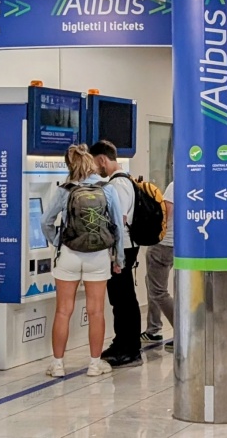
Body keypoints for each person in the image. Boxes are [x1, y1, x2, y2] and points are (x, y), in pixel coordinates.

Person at [42, 145, 126, 378]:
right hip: (98, 256)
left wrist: (59, 240)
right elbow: (117, 226)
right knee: (96, 311)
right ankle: (94, 364)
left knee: (63, 311)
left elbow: (45, 222)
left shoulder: (65, 189)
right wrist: (118, 258)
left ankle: (58, 365)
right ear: (92, 164)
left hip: (69, 254)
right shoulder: (107, 189)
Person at [90, 140, 142, 368]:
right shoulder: (124, 181)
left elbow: (118, 221)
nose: (94, 169)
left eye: (94, 164)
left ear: (102, 160)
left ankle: (129, 349)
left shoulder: (118, 185)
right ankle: (122, 342)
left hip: (123, 248)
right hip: (124, 246)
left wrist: (117, 257)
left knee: (123, 300)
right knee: (121, 299)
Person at [142, 181, 176, 348]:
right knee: (152, 284)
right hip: (178, 245)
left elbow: (166, 213)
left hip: (163, 244)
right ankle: (153, 329)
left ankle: (183, 332)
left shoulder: (174, 185)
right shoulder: (197, 184)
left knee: (158, 292)